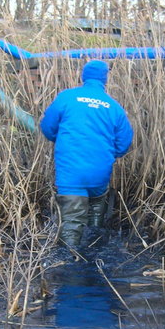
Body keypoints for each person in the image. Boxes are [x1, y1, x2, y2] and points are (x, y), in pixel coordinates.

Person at [39, 59, 134, 248]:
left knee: (72, 221)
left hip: (71, 170)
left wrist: (63, 141)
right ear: (104, 80)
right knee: (95, 213)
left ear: (84, 76)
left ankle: (70, 261)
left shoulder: (67, 97)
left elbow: (47, 127)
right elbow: (124, 142)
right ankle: (94, 251)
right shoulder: (113, 106)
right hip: (100, 170)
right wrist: (105, 155)